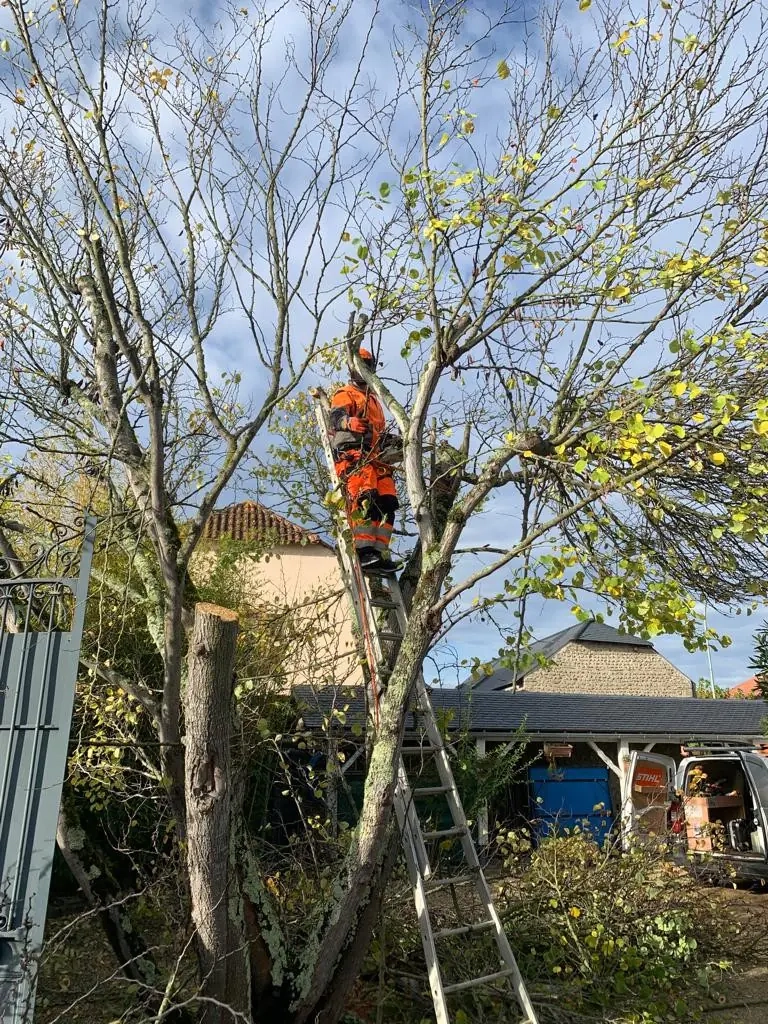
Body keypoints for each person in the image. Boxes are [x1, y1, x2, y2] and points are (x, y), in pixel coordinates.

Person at [329, 347, 399, 575]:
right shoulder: (345, 393)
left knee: (388, 503)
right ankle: (364, 550)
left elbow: (379, 430)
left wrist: (394, 442)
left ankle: (380, 552)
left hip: (377, 457)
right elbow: (335, 417)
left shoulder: (376, 400)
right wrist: (348, 423)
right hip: (354, 455)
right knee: (365, 497)